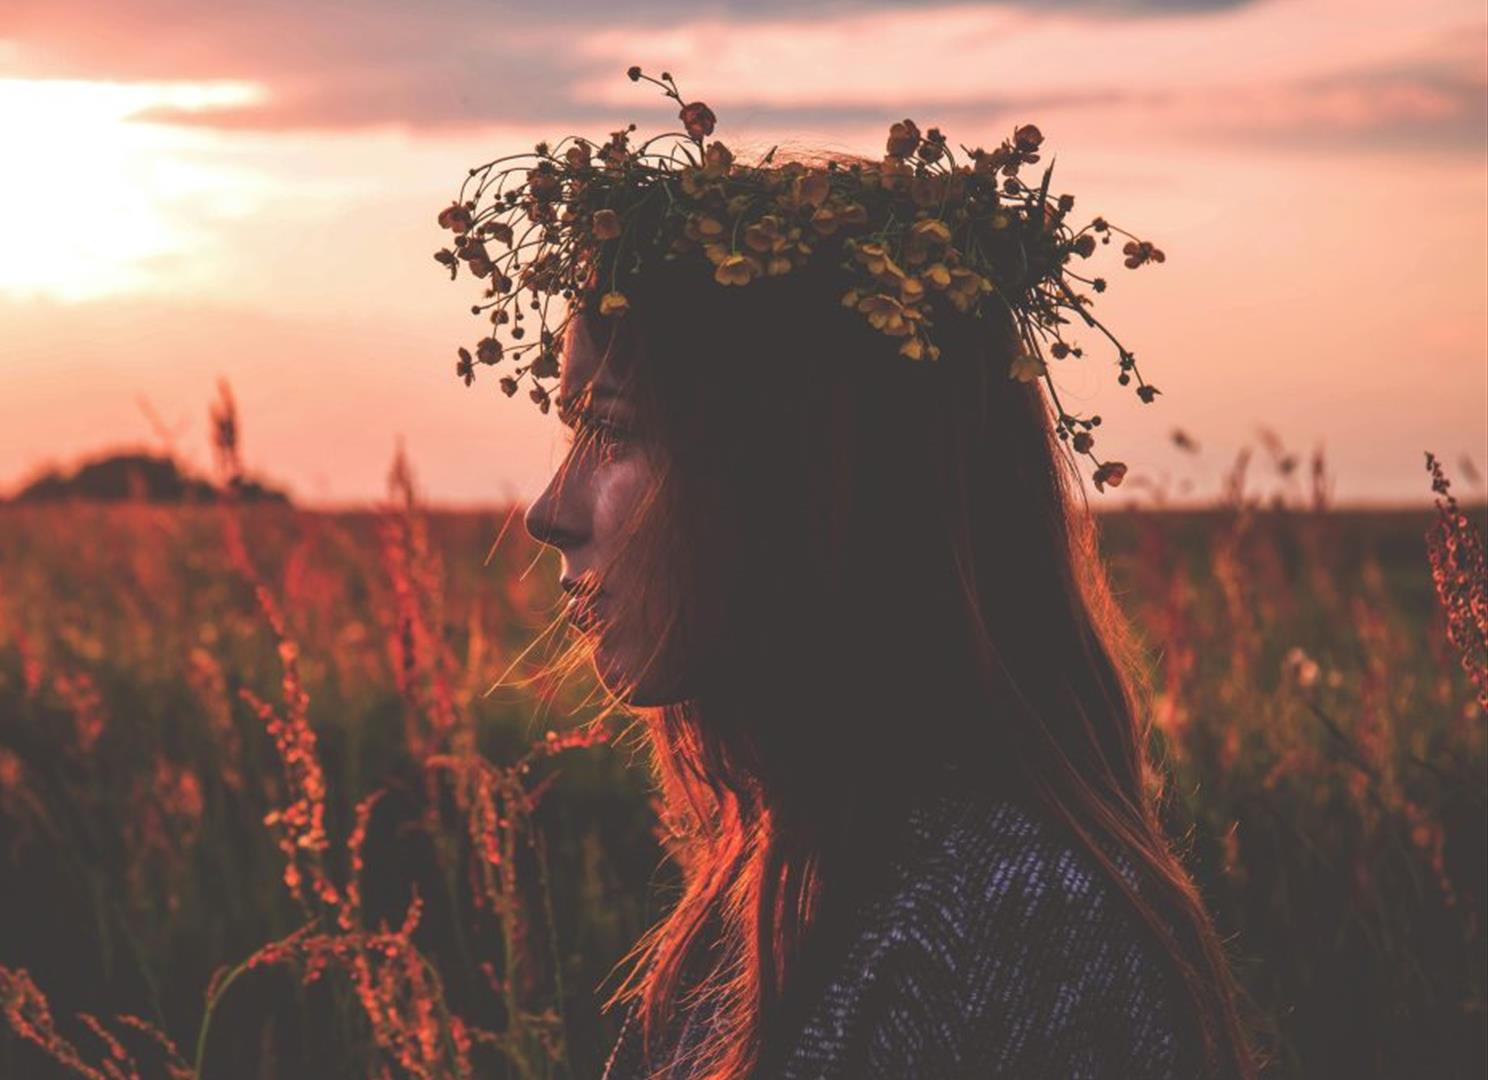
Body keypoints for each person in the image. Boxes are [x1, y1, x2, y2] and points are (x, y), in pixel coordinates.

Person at [435, 68, 1262, 1079]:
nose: (547, 512)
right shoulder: (798, 877)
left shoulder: (1000, 930)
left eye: (613, 430)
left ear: (798, 474)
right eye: (574, 427)